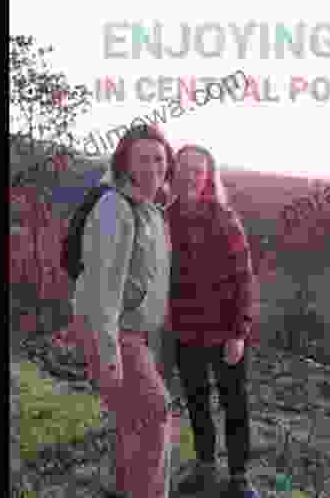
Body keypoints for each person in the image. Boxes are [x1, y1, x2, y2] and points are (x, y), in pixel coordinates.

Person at [63, 124, 176, 498]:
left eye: (159, 158)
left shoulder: (150, 209)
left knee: (133, 422)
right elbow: (103, 288)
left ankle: (127, 490)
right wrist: (109, 355)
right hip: (113, 331)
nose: (153, 166)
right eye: (143, 158)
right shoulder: (115, 207)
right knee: (156, 413)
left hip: (135, 332)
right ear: (124, 162)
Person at [167, 144, 258, 497]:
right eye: (185, 167)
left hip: (225, 333)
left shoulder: (224, 218)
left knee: (234, 405)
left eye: (198, 169)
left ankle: (238, 478)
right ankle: (205, 467)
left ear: (207, 175)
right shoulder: (165, 217)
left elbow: (244, 280)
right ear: (175, 171)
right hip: (185, 332)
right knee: (197, 402)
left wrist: (239, 333)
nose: (190, 174)